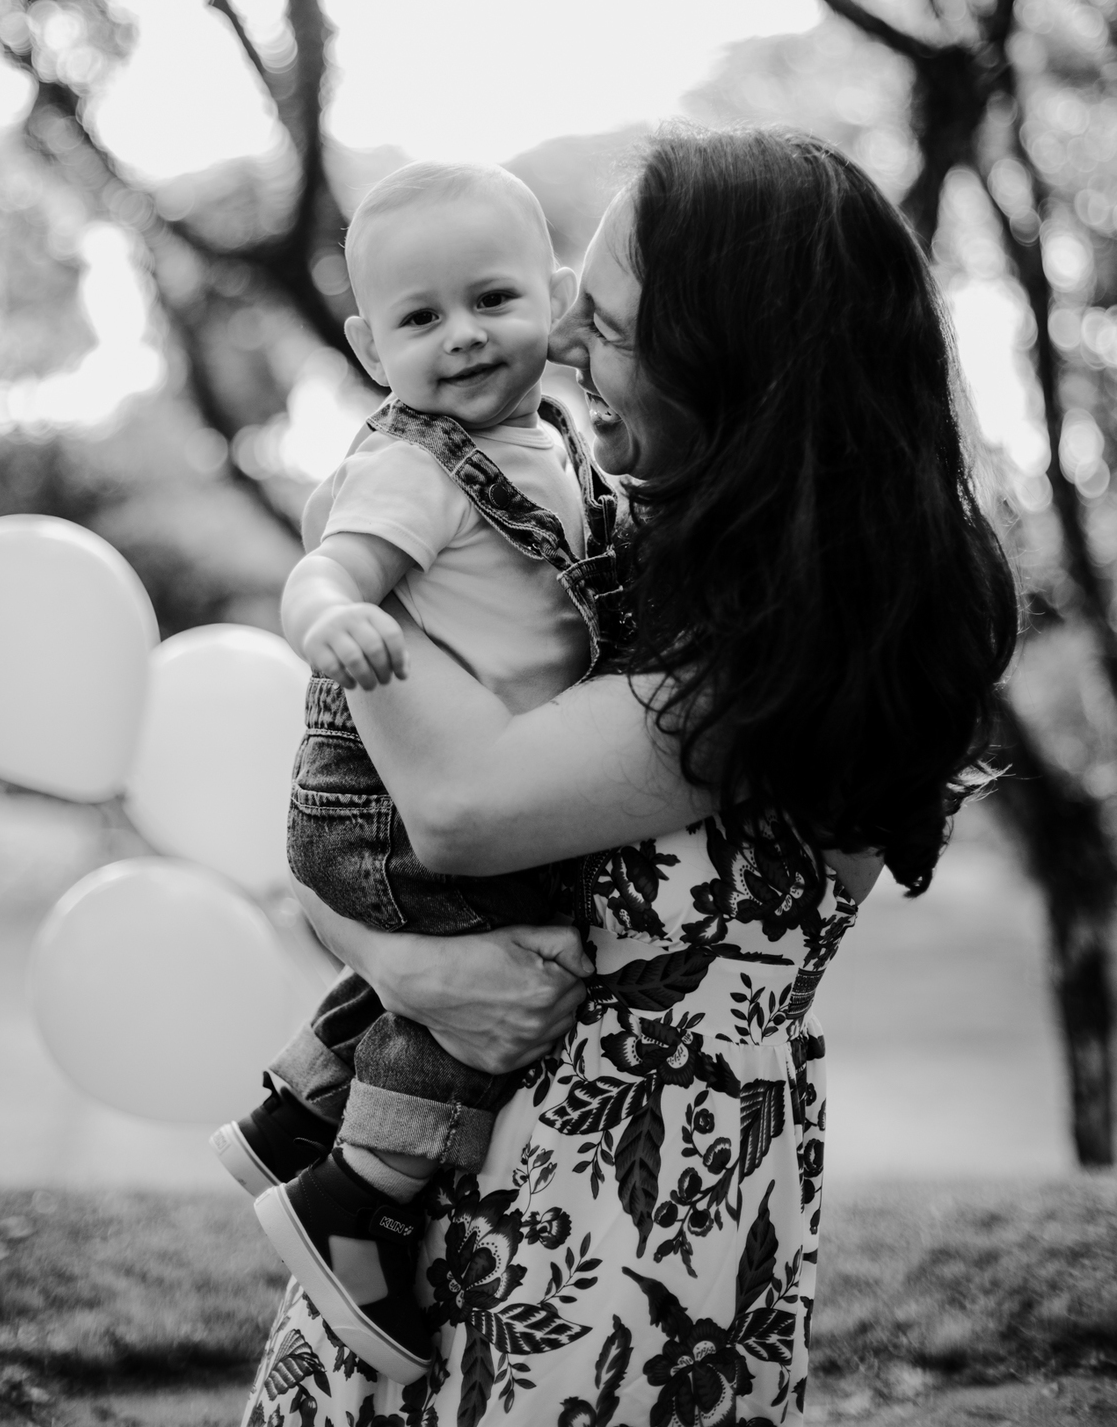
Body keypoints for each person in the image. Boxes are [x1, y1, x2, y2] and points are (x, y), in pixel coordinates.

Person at [242, 127, 1018, 1427]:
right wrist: (410, 970)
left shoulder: (797, 639)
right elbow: (356, 848)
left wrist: (370, 509)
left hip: (626, 1211)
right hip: (453, 1159)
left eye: (597, 321)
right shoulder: (618, 539)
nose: (556, 350)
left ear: (728, 350)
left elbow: (458, 810)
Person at [212, 160, 622, 1383]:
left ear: (552, 299)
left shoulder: (550, 441)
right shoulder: (419, 464)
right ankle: (361, 1199)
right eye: (420, 319)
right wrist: (330, 615)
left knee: (457, 948)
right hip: (378, 798)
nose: (462, 338)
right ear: (366, 341)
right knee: (505, 970)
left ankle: (294, 1111)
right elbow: (328, 564)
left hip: (417, 783)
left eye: (491, 300)